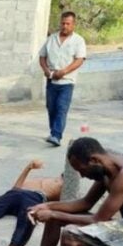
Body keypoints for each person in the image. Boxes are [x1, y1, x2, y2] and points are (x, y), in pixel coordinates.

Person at [39, 11, 86, 147]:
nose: (65, 26)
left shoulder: (78, 41)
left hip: (67, 81)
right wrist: (46, 71)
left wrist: (64, 71)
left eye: (68, 24)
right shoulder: (51, 39)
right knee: (51, 107)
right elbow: (42, 56)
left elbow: (79, 60)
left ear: (73, 25)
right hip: (52, 79)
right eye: (63, 23)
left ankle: (56, 135)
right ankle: (53, 131)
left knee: (61, 107)